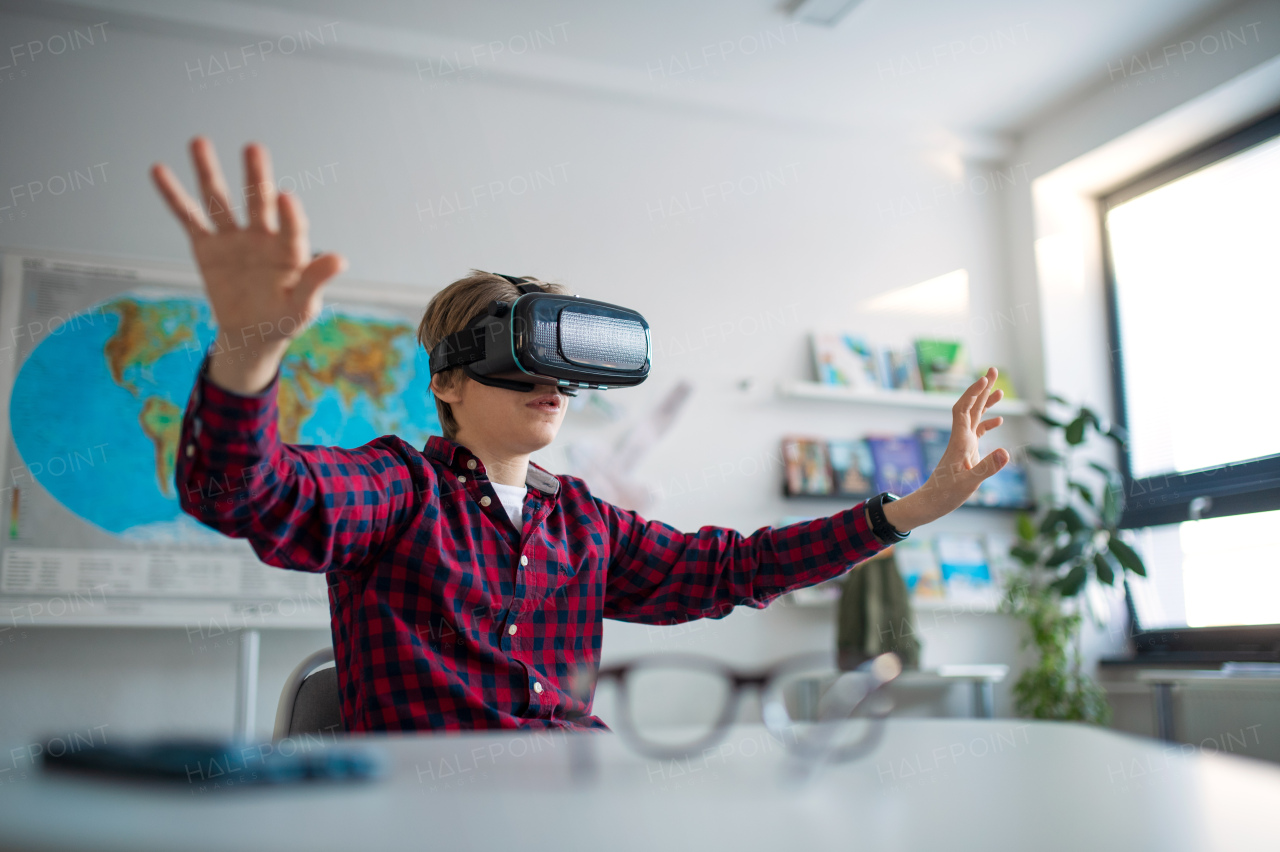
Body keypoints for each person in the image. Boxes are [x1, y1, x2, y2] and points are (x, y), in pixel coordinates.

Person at [151, 137, 1011, 733]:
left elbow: (735, 569)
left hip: (583, 798)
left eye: (560, 368)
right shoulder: (397, 492)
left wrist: (910, 510)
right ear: (447, 380)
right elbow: (248, 496)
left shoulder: (584, 525)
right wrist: (248, 357)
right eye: (518, 360)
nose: (550, 388)